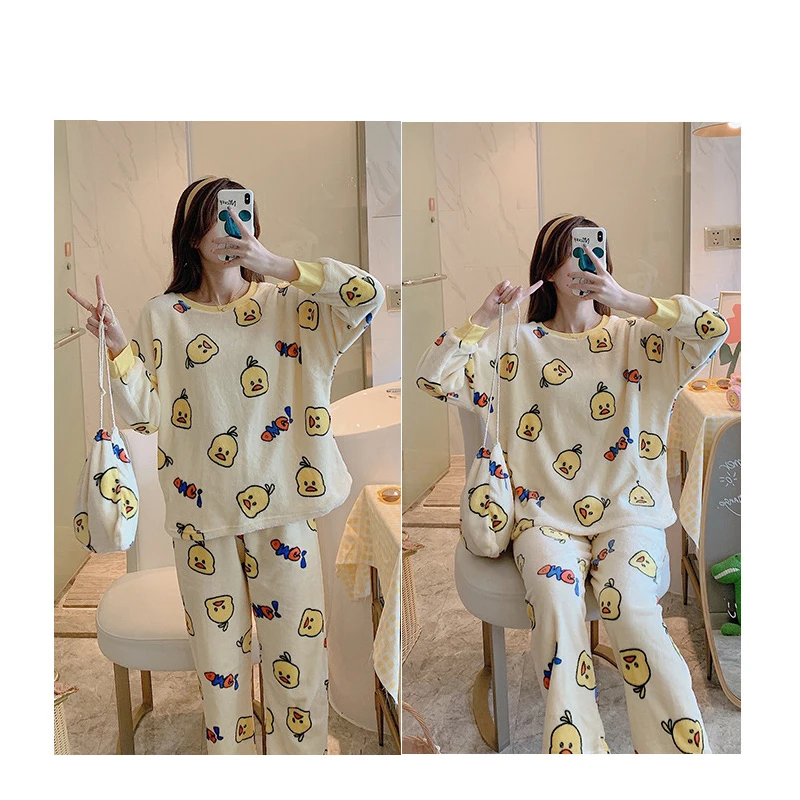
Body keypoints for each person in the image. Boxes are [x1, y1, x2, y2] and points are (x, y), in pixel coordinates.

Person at [68, 175, 385, 755]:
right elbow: (147, 417)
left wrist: (277, 264)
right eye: (215, 217)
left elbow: (369, 296)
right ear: (191, 234)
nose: (229, 227)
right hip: (202, 522)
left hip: (285, 513)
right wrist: (117, 346)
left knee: (298, 672)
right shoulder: (163, 315)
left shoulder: (291, 305)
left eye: (239, 215)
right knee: (222, 682)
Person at [415, 213, 728, 754]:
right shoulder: (514, 346)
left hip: (628, 511)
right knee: (558, 613)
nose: (585, 262)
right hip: (543, 519)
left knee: (633, 610)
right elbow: (432, 376)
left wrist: (627, 300)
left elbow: (712, 329)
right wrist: (483, 316)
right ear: (548, 268)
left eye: (594, 251)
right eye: (571, 252)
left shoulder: (638, 340)